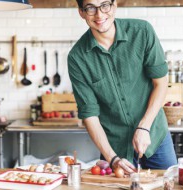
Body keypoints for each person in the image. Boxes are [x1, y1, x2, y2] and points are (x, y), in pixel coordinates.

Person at [67, 0, 177, 174]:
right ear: (81, 12)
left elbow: (161, 83)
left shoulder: (142, 32)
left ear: (114, 5)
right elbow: (90, 115)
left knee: (169, 184)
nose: (99, 14)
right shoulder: (77, 58)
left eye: (104, 5)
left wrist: (143, 127)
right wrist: (112, 158)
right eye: (90, 8)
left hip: (155, 136)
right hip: (114, 148)